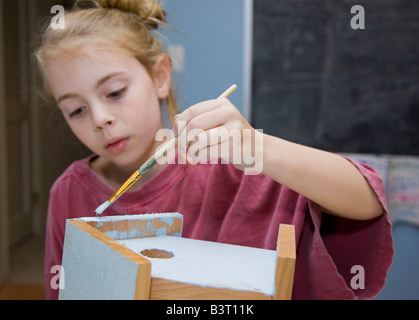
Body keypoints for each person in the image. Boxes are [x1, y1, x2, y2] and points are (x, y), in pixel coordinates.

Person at [35, 0, 393, 300]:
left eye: (114, 92)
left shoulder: (231, 167)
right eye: (76, 110)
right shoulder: (68, 193)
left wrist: (257, 147)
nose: (100, 119)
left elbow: (366, 201)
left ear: (160, 76)